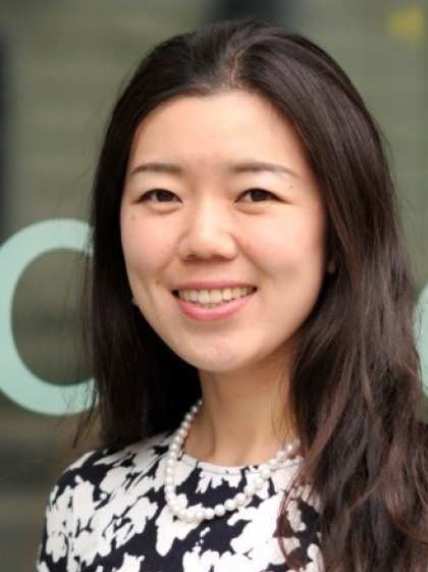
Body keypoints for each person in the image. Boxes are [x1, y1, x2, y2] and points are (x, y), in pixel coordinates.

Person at [35, 17, 428, 572]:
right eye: (161, 194)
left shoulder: (413, 505)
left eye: (255, 193)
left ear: (340, 231)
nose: (203, 240)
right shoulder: (87, 505)